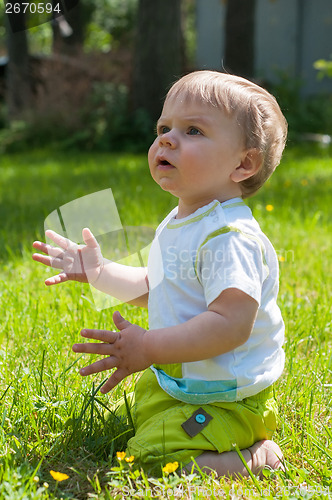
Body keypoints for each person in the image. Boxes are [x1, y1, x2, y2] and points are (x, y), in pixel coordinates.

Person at [33, 70, 288, 478]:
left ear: (244, 163)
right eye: (163, 127)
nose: (167, 139)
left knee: (151, 460)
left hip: (225, 397)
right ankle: (174, 415)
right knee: (130, 424)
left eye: (192, 130)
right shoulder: (181, 220)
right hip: (183, 380)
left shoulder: (228, 238)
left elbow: (230, 325)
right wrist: (99, 271)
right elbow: (159, 290)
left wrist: (148, 347)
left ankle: (256, 456)